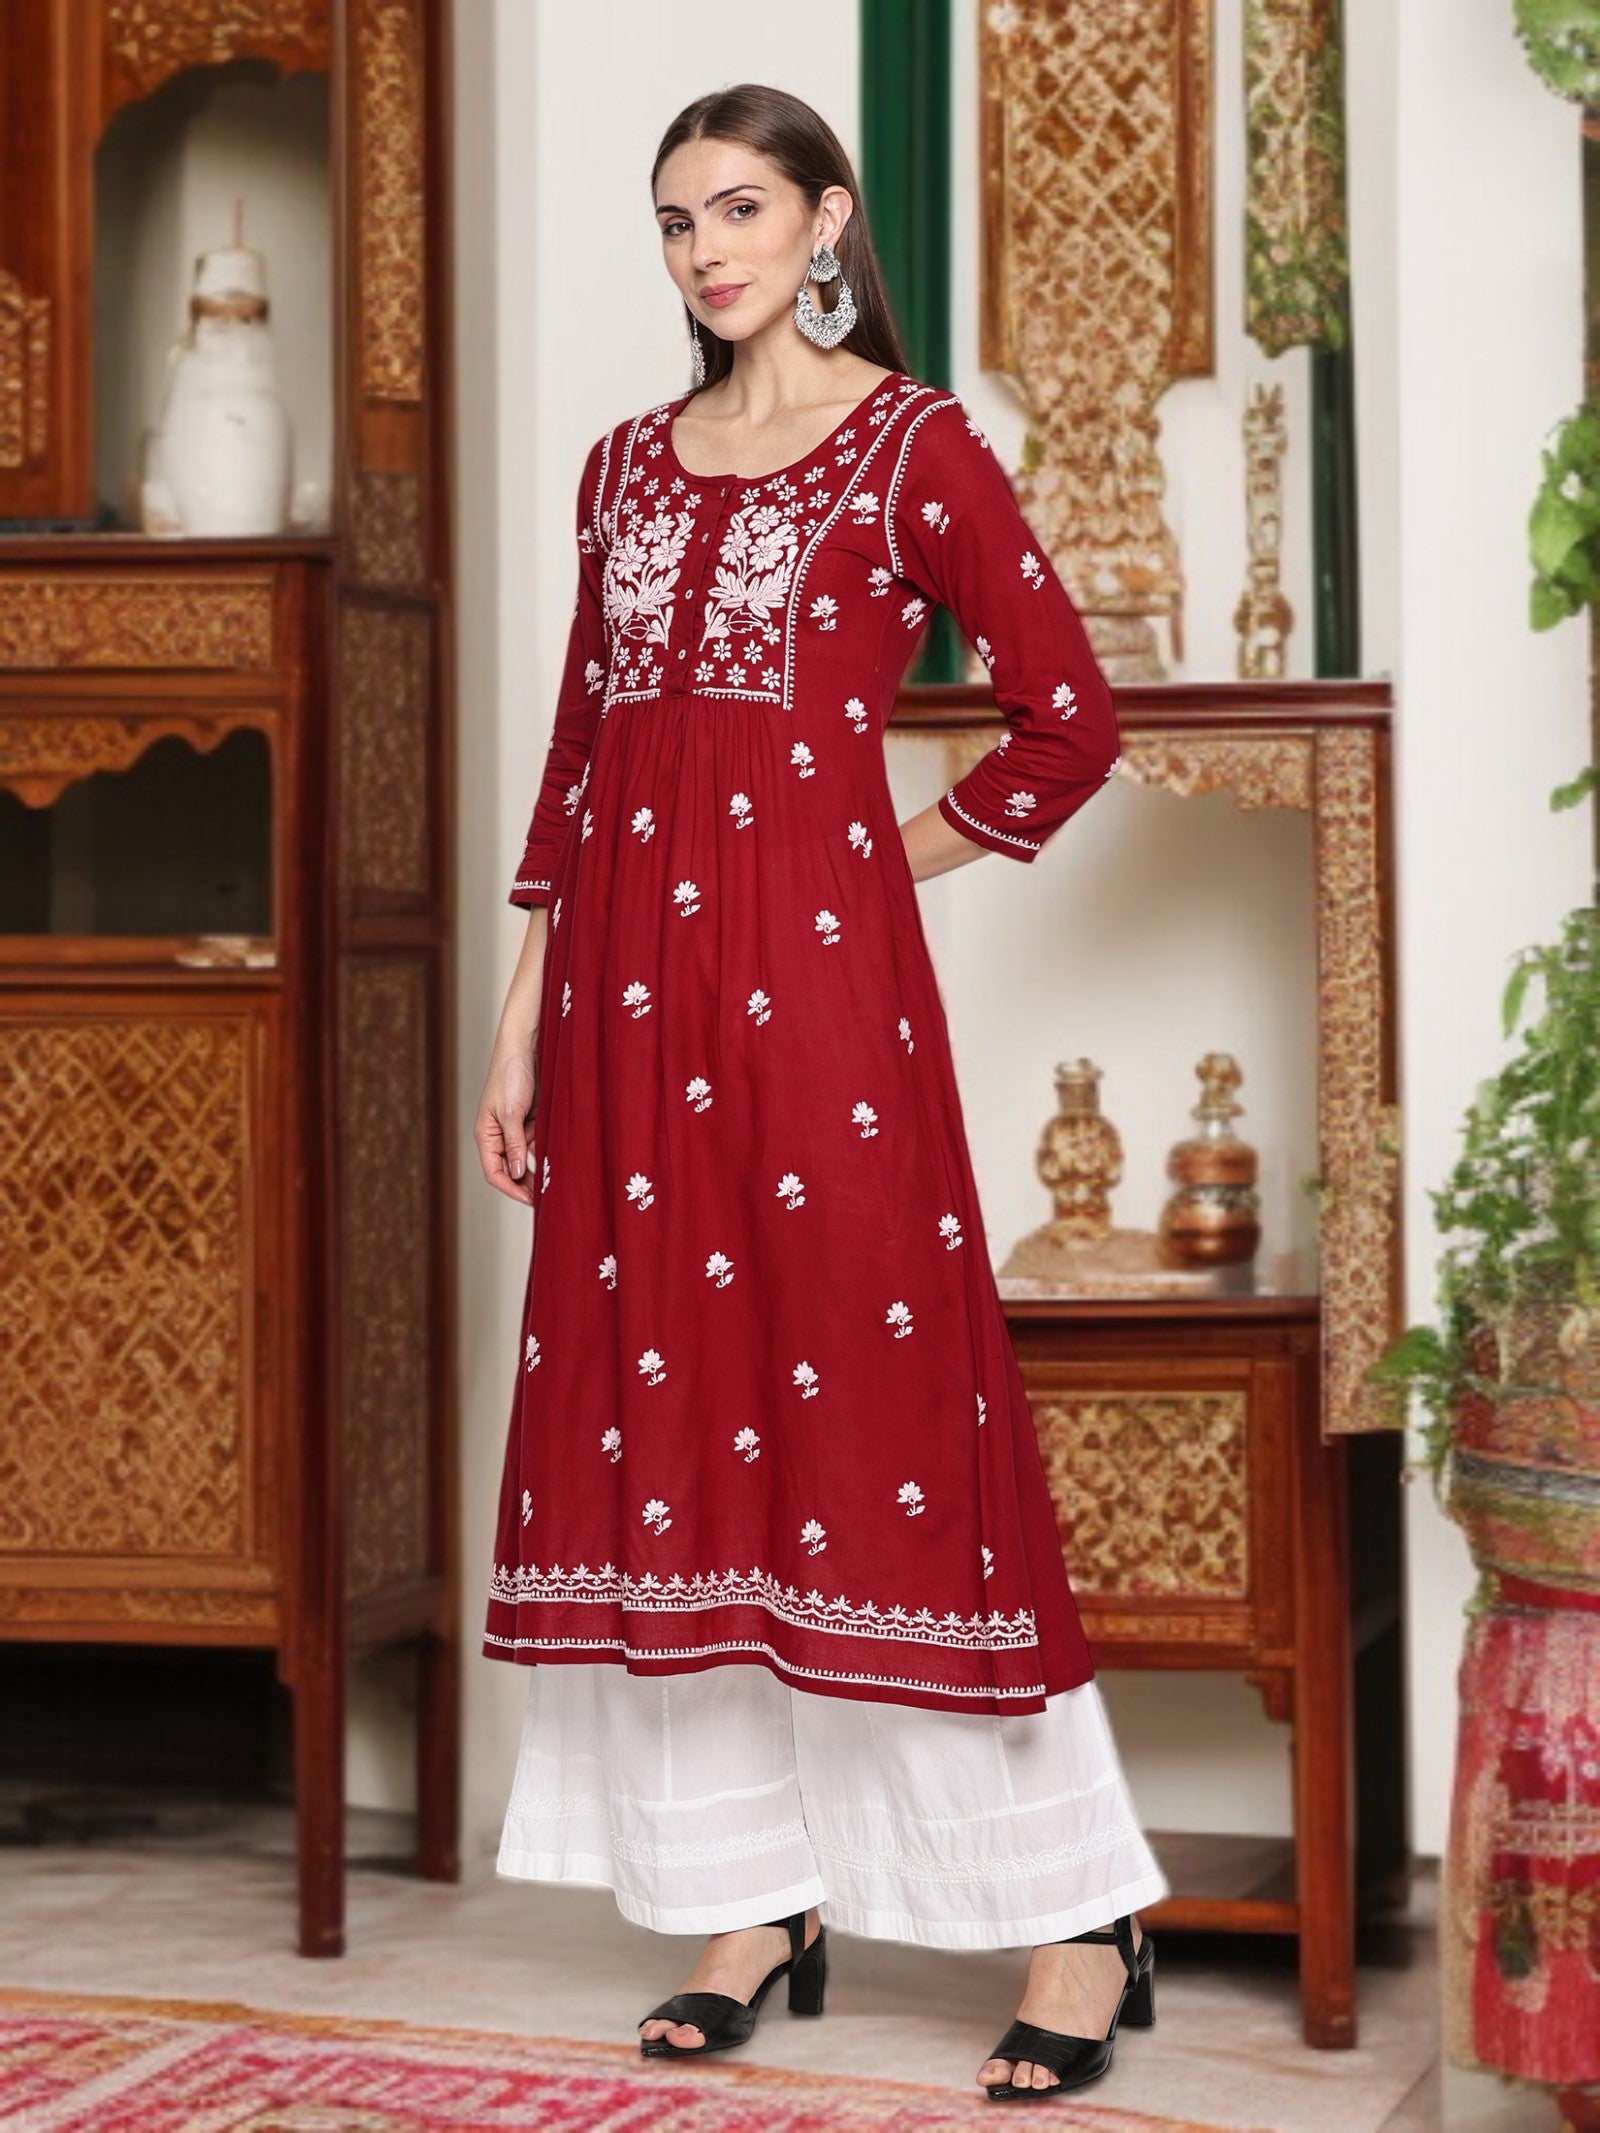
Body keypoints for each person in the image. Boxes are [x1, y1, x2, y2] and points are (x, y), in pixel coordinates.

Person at [474, 82, 1169, 2102]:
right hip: (617, 1003)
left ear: (825, 219)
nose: (704, 250)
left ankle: (1067, 1909)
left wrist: (883, 854)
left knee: (880, 1416)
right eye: (674, 219)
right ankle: (748, 1891)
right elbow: (578, 759)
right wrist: (523, 1019)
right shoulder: (624, 467)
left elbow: (1069, 708)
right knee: (674, 1416)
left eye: (741, 208)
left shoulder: (906, 448)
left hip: (815, 1010)